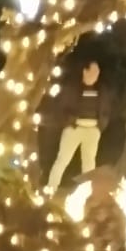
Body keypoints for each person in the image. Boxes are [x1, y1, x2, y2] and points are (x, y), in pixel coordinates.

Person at [45, 60, 112, 191]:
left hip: (92, 129)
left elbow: (106, 110)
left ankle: (87, 192)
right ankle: (50, 189)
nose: (95, 74)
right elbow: (61, 107)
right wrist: (70, 121)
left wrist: (100, 126)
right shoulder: (73, 88)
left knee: (89, 163)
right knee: (63, 160)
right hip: (74, 128)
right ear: (85, 71)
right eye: (92, 71)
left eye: (97, 72)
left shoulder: (101, 90)